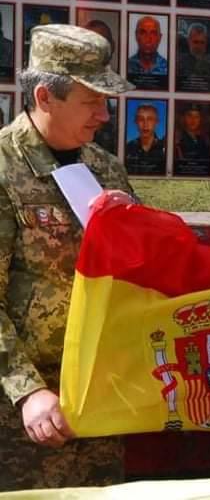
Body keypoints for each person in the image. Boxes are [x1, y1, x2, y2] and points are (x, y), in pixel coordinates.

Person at [0, 24, 136, 491]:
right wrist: (27, 390)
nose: (104, 114)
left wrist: (132, 227)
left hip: (98, 397)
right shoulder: (4, 168)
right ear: (45, 96)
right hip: (22, 413)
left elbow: (134, 277)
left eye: (106, 100)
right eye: (92, 100)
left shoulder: (103, 167)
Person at [125, 102, 166, 173]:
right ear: (136, 122)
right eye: (141, 119)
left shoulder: (165, 148)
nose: (145, 124)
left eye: (150, 119)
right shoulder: (128, 148)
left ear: (156, 122)